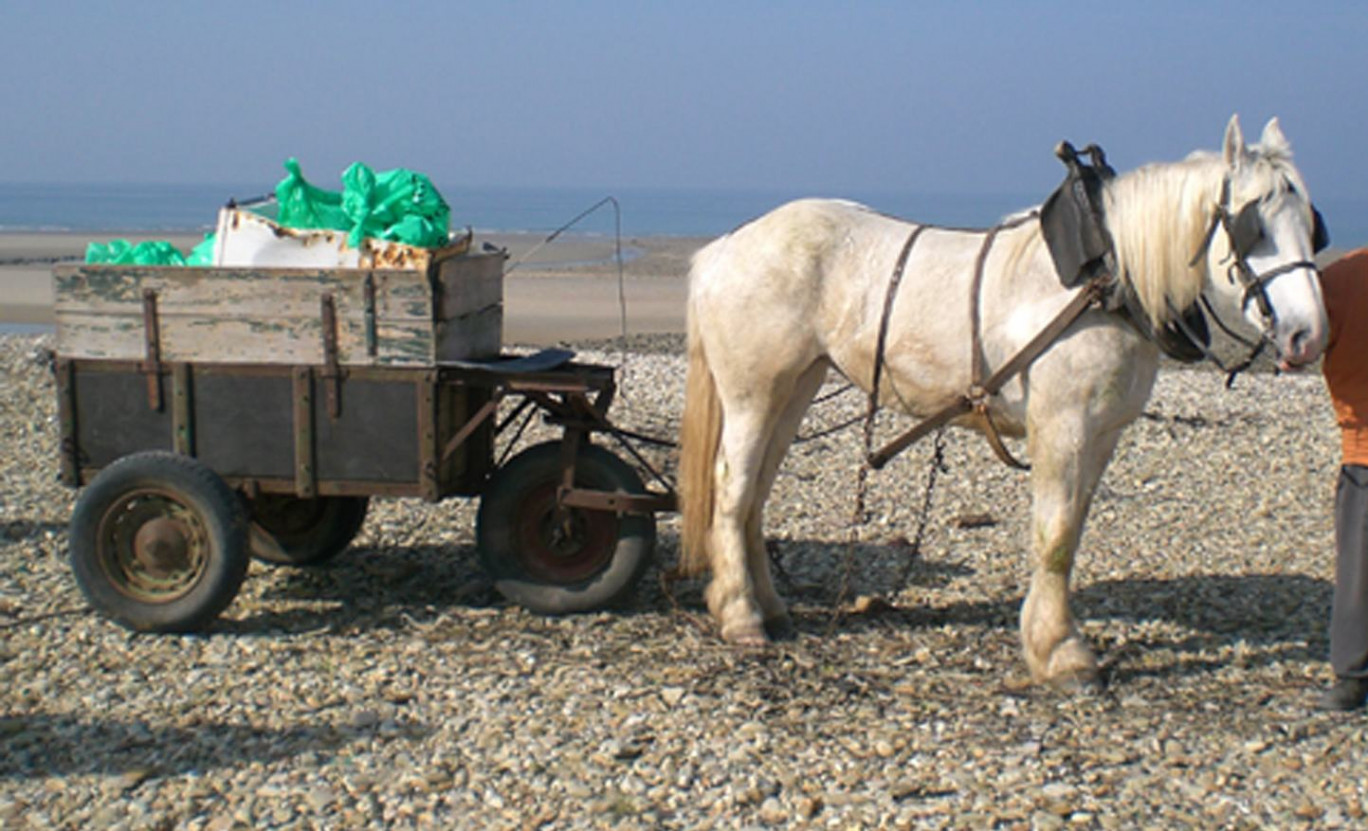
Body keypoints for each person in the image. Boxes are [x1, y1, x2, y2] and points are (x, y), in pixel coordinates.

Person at [1319, 246, 1368, 710]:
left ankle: (1351, 680)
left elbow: (1298, 345)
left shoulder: (1341, 279)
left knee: (1359, 574)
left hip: (1365, 454)